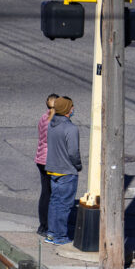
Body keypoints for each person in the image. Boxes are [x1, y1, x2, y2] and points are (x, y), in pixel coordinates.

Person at [44, 96, 82, 245]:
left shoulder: (51, 125)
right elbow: (73, 152)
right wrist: (78, 165)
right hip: (67, 170)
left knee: (54, 202)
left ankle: (52, 233)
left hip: (53, 169)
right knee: (65, 205)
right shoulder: (71, 128)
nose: (73, 109)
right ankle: (60, 236)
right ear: (67, 109)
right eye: (71, 107)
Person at [35, 93, 58, 237]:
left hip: (40, 159)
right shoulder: (55, 121)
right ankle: (50, 226)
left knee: (45, 193)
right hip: (52, 160)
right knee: (54, 195)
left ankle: (42, 225)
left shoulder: (43, 118)